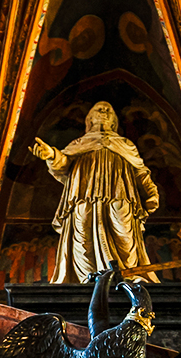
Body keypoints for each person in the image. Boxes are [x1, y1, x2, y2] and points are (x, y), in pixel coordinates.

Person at [30, 101, 161, 283]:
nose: (105, 112)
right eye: (100, 110)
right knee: (83, 228)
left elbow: (140, 170)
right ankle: (87, 277)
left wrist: (150, 192)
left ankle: (128, 276)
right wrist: (51, 155)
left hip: (120, 194)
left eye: (109, 110)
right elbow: (63, 164)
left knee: (123, 228)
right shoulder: (79, 143)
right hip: (83, 195)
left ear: (114, 121)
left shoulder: (125, 144)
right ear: (90, 118)